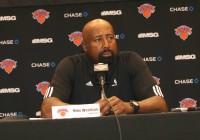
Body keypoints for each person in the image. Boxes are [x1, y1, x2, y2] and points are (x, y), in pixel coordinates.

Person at [41, 18, 168, 118]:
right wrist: (89, 111)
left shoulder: (130, 60)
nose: (106, 44)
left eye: (110, 37)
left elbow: (160, 104)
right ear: (85, 46)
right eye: (98, 40)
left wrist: (131, 106)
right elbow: (47, 110)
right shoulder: (71, 65)